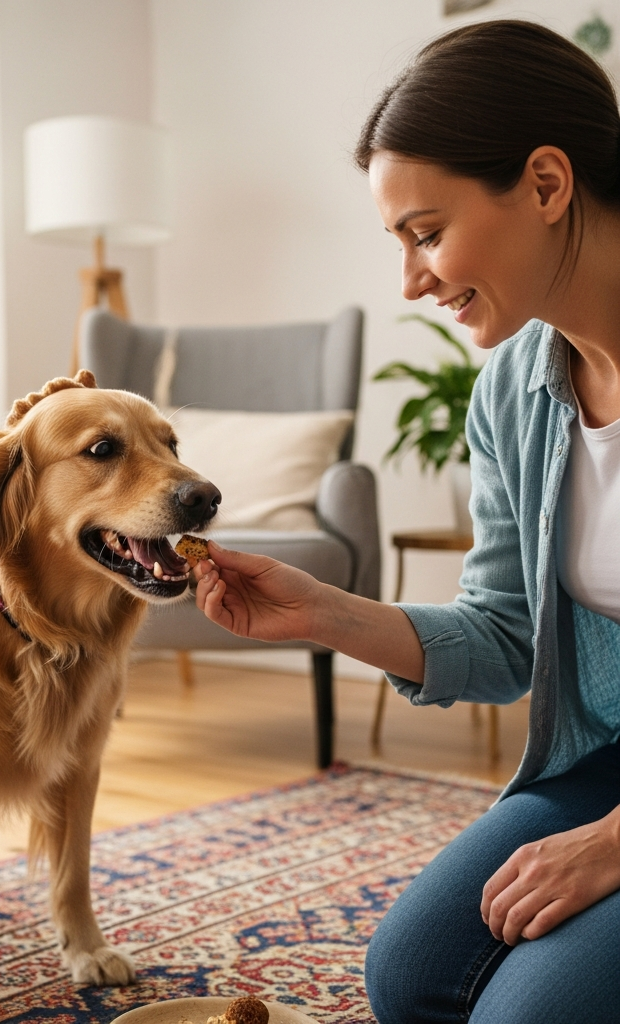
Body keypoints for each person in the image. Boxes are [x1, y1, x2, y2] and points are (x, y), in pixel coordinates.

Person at [191, 20, 620, 1024]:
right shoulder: (516, 386)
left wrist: (609, 845)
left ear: (547, 184)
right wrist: (324, 614)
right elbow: (508, 636)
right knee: (409, 974)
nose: (411, 280)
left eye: (426, 231)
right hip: (601, 757)